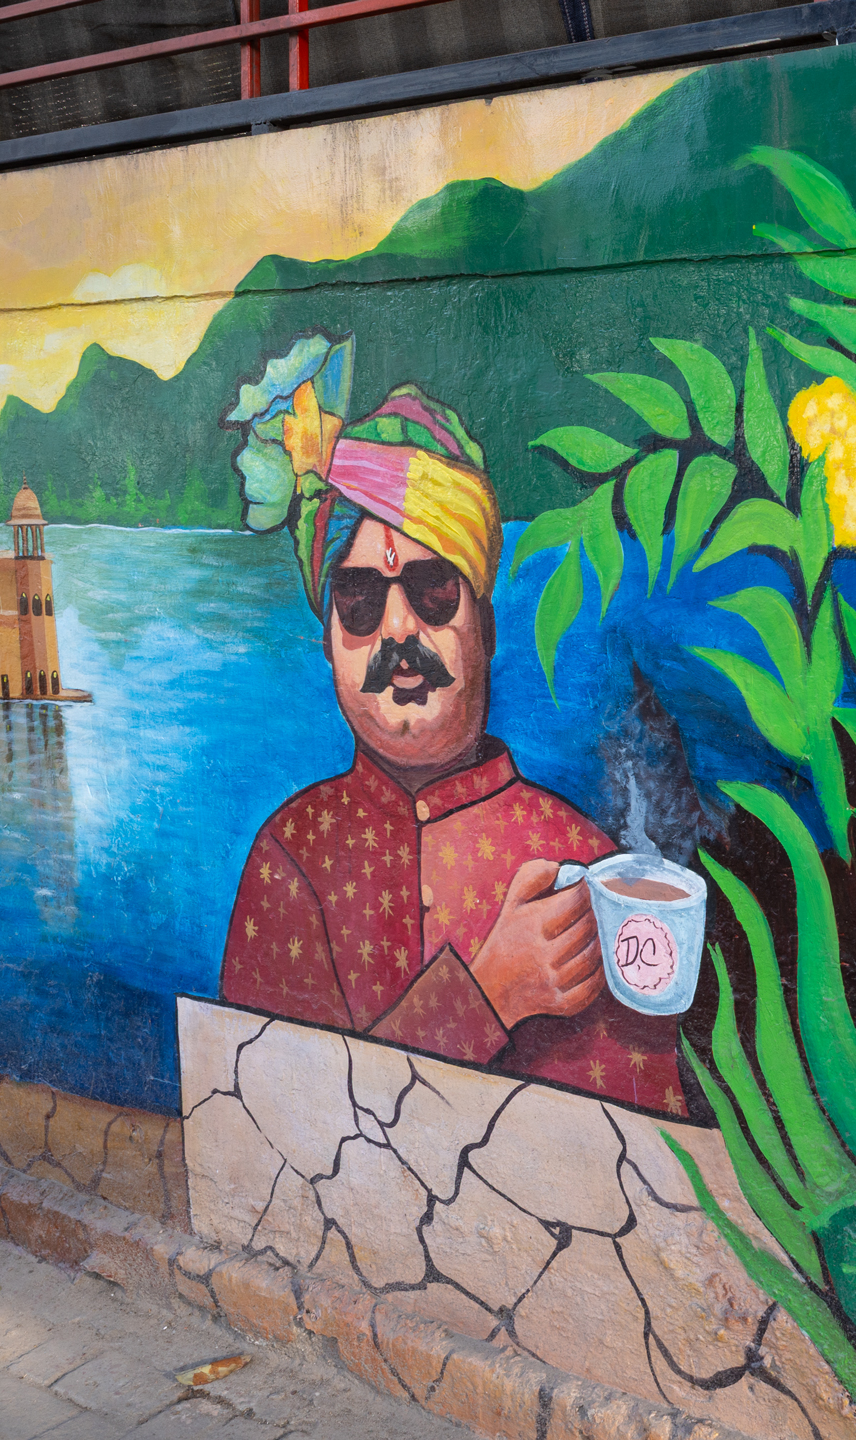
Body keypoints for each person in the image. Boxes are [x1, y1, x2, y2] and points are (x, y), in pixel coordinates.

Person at [217, 336, 683, 1115]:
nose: (399, 629)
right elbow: (277, 1130)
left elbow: (646, 1148)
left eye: (432, 589)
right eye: (361, 602)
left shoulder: (588, 872)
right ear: (329, 645)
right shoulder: (292, 859)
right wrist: (486, 997)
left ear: (486, 630)